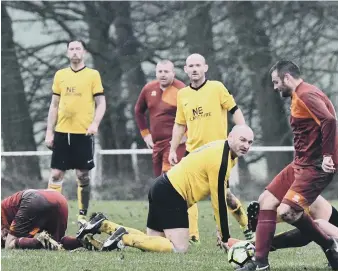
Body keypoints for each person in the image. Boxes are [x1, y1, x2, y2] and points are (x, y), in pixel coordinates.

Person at [238, 60, 338, 271]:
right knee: (266, 201)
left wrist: (327, 155)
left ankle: (330, 245)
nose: (275, 87)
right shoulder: (301, 94)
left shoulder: (306, 95)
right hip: (300, 163)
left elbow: (329, 120)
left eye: (276, 82)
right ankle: (261, 263)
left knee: (287, 212)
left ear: (287, 78)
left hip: (314, 167)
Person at [78, 125, 254, 253]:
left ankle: (105, 225)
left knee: (154, 243)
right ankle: (123, 238)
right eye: (242, 140)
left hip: (161, 187)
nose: (246, 145)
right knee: (179, 248)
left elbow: (227, 196)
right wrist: (225, 238)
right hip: (172, 193)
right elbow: (218, 203)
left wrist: (246, 227)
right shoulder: (221, 158)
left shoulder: (227, 153)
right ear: (230, 136)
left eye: (250, 142)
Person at [168, 53, 253, 244]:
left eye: (198, 65)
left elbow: (235, 111)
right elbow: (180, 124)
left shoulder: (217, 88)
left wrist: (243, 135)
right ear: (186, 70)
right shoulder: (183, 94)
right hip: (193, 154)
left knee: (225, 196)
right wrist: (173, 149)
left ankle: (245, 227)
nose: (195, 69)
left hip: (219, 154)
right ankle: (193, 236)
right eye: (191, 66)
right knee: (186, 195)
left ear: (205, 68)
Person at [45, 40, 106, 224]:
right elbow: (54, 105)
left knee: (82, 175)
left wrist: (95, 123)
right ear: (67, 53)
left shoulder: (92, 75)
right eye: (71, 49)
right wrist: (49, 132)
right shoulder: (60, 75)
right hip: (62, 132)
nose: (74, 52)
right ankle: (51, 213)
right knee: (56, 174)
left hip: (83, 133)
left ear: (84, 52)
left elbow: (101, 103)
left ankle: (82, 215)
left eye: (78, 49)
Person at [134, 60, 186, 177]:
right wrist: (146, 135)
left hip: (175, 143)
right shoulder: (148, 88)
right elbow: (138, 111)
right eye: (160, 71)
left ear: (173, 73)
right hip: (157, 144)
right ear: (156, 73)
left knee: (169, 177)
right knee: (159, 181)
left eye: (166, 71)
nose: (163, 74)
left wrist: (186, 134)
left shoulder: (182, 89)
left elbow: (192, 114)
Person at [1, 189, 95, 250]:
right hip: (59, 199)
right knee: (56, 244)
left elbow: (8, 241)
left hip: (34, 200)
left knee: (9, 245)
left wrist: (6, 240)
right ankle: (82, 241)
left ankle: (40, 241)